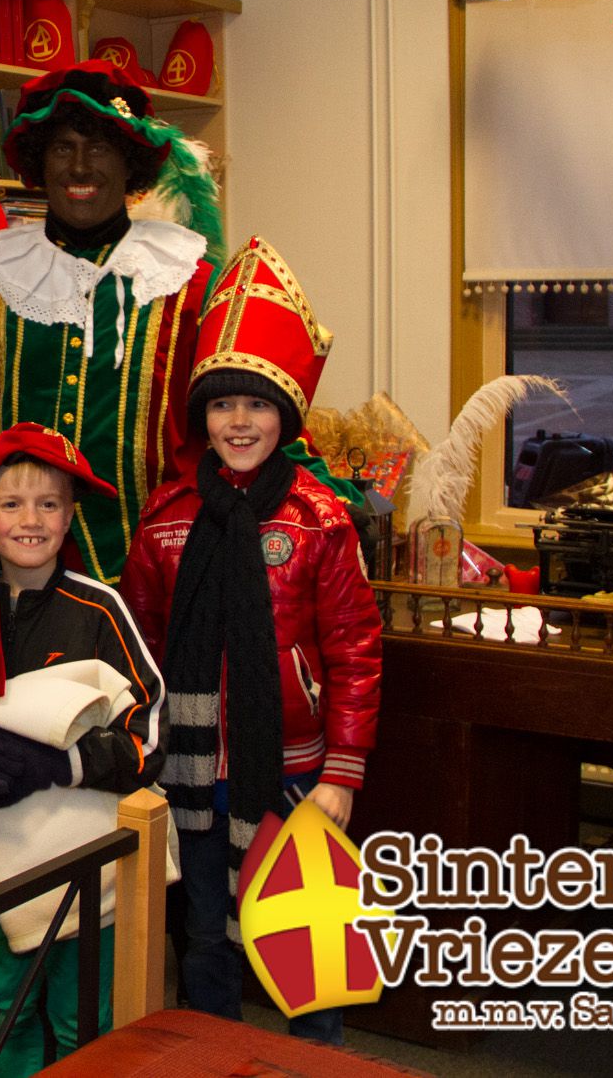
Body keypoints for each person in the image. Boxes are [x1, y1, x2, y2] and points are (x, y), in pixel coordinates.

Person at [119, 235, 382, 1043]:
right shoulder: (165, 523)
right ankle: (214, 1057)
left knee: (310, 945)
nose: (240, 421)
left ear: (286, 415)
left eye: (258, 404)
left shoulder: (320, 520)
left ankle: (319, 1064)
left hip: (296, 771)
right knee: (204, 936)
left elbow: (354, 650)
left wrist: (341, 772)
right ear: (203, 414)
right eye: (224, 403)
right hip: (195, 777)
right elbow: (142, 653)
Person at [0, 424, 165, 1078]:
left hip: (83, 848)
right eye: (11, 503)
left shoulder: (98, 609)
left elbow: (150, 729)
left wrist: (67, 763)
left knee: (83, 1014)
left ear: (71, 513)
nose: (30, 519)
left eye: (48, 503)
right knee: (7, 1006)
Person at [0, 60, 223, 589]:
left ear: (131, 166)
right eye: (63, 148)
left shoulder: (188, 280)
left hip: (157, 574)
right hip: (9, 570)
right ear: (40, 162)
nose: (80, 167)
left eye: (100, 148)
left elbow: (236, 413)